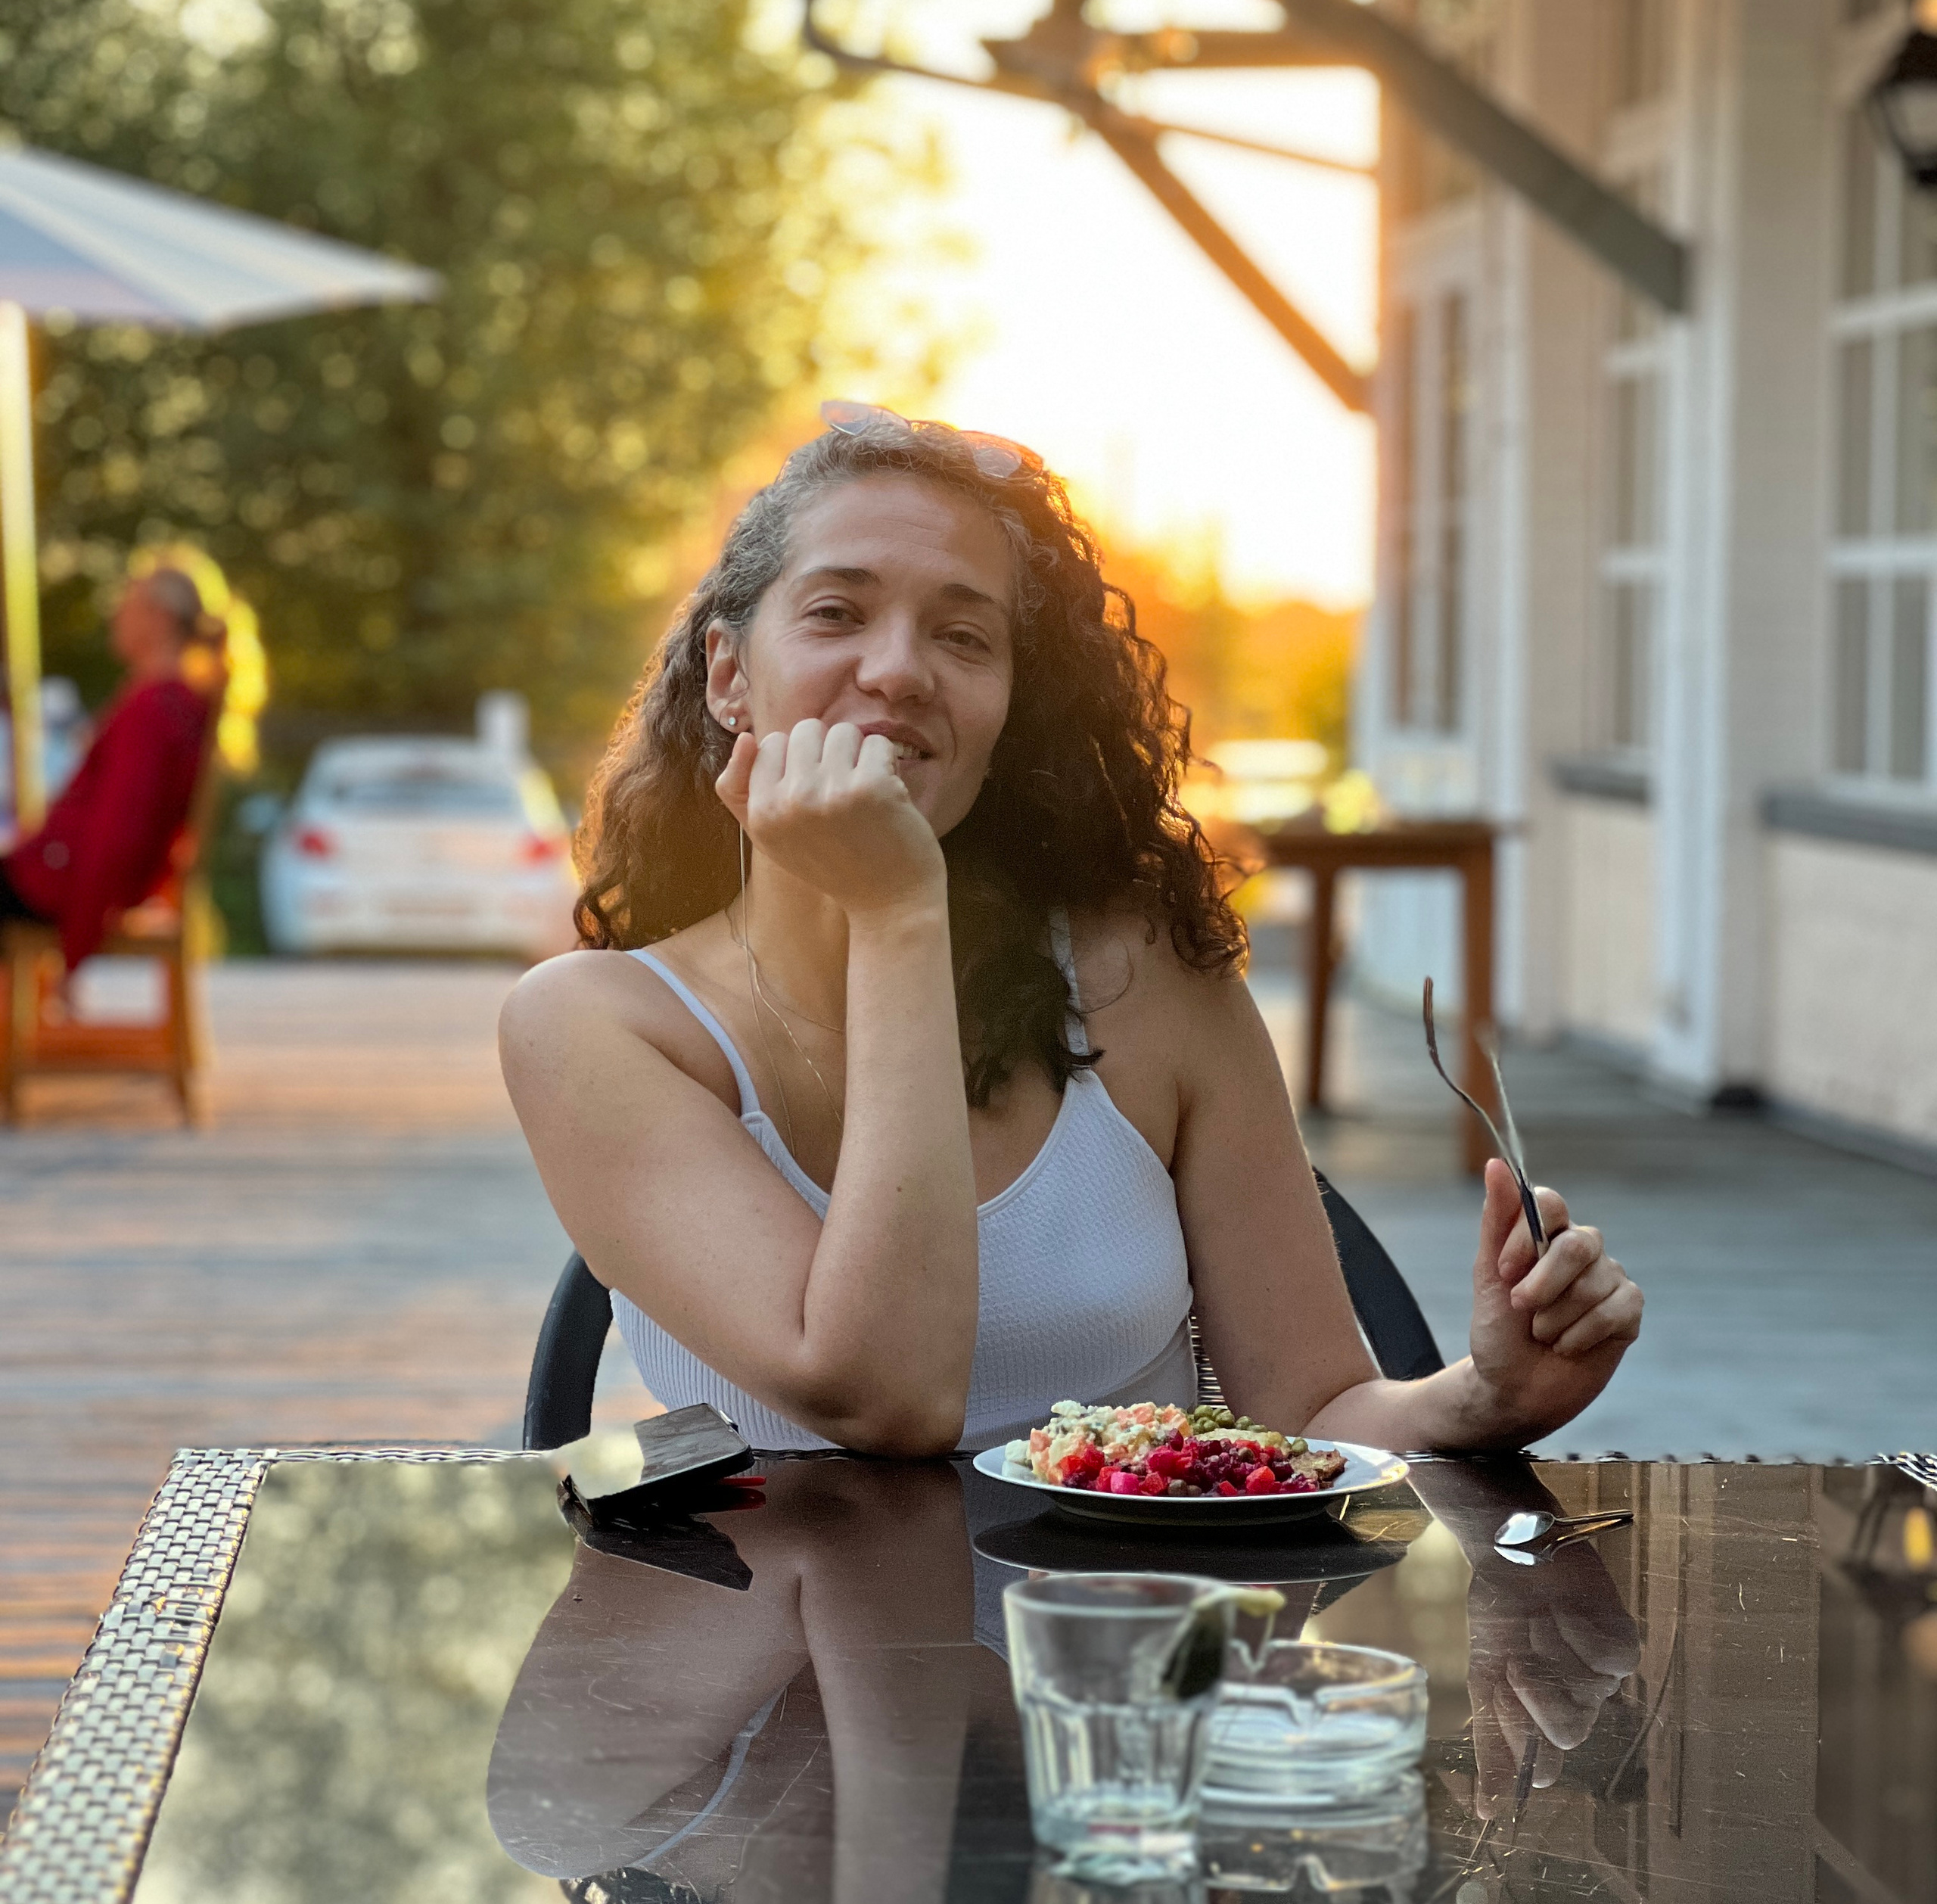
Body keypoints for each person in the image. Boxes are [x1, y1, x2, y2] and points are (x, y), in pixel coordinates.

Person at [502, 403, 1643, 1457]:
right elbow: (886, 1393)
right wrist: (897, 910)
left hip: (1124, 1653)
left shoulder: (1147, 978)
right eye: (838, 612)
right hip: (769, 1656)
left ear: (1008, 709)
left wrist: (1487, 1397)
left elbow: (1312, 1412)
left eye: (964, 637)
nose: (898, 670)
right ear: (729, 674)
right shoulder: (592, 1027)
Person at [0, 567, 222, 972]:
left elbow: (118, 834)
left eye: (127, 605)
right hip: (65, 873)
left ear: (160, 618)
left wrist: (76, 949)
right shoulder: (173, 701)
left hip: (60, 883)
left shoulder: (154, 709)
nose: (115, 617)